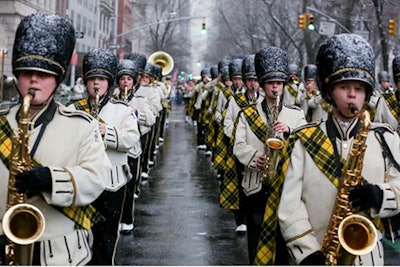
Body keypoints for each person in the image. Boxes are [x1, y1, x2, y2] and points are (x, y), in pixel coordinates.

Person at [274, 34, 400, 266]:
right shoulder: (304, 139)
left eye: (359, 88)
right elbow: (290, 205)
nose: (352, 95)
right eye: (344, 87)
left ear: (367, 93)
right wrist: (307, 253)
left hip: (367, 256)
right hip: (317, 254)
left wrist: (382, 195)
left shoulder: (385, 139)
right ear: (329, 91)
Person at [0, 12, 111, 265]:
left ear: (58, 80)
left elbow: (97, 178)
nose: (35, 80)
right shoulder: (1, 121)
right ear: (16, 76)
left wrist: (52, 179)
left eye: (45, 74)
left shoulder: (80, 125)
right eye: (27, 72)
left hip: (59, 251)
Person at [233, 46, 307, 264]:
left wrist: (289, 132)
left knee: (283, 240)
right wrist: (256, 158)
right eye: (271, 83)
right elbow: (238, 145)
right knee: (255, 239)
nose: (275, 88)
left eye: (279, 84)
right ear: (264, 85)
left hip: (285, 185)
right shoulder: (247, 114)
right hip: (255, 184)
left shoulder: (295, 114)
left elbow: (306, 144)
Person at [67, 48, 140, 265]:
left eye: (101, 79)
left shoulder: (122, 110)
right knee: (79, 237)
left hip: (111, 184)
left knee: (105, 239)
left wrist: (105, 132)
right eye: (91, 79)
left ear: (109, 82)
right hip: (81, 182)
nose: (96, 84)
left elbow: (130, 140)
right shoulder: (72, 109)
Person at [114, 59, 156, 235]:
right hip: (114, 147)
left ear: (133, 81)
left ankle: (127, 219)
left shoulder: (140, 99)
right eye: (123, 79)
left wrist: (135, 112)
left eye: (129, 79)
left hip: (133, 148)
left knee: (129, 186)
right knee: (115, 185)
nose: (125, 82)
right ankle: (116, 219)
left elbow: (151, 119)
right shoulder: (113, 98)